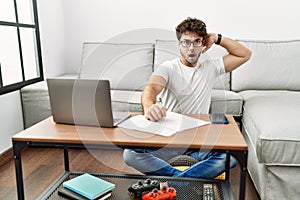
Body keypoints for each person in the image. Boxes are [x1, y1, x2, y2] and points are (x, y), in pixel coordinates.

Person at [123, 17, 251, 179]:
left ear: (203, 44)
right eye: (186, 42)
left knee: (231, 157)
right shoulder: (168, 67)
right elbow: (151, 88)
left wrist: (217, 38)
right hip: (169, 141)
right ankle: (184, 180)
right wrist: (149, 106)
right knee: (130, 154)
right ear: (179, 44)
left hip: (199, 143)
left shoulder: (211, 66)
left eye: (197, 42)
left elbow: (245, 54)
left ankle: (175, 181)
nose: (191, 48)